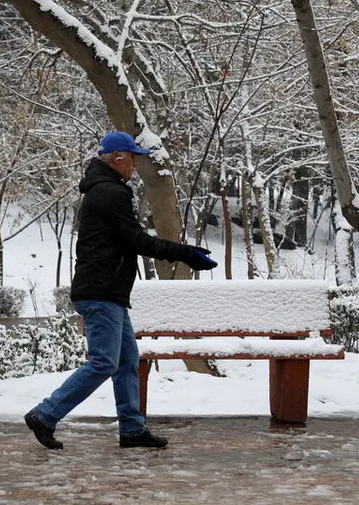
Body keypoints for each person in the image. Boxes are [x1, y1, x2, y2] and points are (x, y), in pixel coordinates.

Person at [24, 131, 217, 450]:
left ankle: (131, 428)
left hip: (107, 291)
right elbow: (137, 240)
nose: (136, 165)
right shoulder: (110, 193)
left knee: (127, 360)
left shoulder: (105, 190)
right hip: (101, 292)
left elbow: (128, 239)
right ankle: (46, 414)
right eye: (133, 158)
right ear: (117, 158)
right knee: (104, 362)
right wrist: (184, 253)